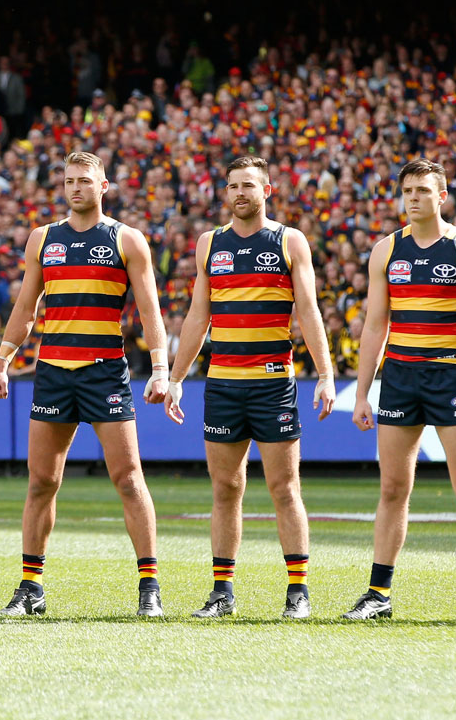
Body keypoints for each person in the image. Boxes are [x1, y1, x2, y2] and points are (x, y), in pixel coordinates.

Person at [0, 151, 170, 617]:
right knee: (41, 482)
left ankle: (149, 587)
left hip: (104, 371)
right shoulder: (42, 239)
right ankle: (31, 588)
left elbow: (149, 311)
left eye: (85, 181)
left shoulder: (127, 240)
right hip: (51, 372)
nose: (76, 188)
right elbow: (26, 308)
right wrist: (3, 362)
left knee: (128, 480)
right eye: (69, 180)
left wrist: (161, 368)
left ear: (103, 185)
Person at [164, 156, 336, 619]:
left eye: (249, 186)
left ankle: (297, 593)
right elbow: (198, 317)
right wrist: (176, 378)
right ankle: (222, 593)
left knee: (284, 488)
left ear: (267, 190)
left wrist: (325, 375)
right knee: (225, 488)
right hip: (221, 385)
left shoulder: (289, 241)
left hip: (272, 386)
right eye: (233, 185)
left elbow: (309, 312)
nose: (240, 193)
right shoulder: (209, 244)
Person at [345, 158, 456, 622]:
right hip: (399, 379)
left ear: (441, 196)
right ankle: (378, 594)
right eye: (408, 191)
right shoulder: (385, 250)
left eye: (423, 190)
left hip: (451, 377)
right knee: (393, 488)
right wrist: (362, 393)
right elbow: (375, 326)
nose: (413, 198)